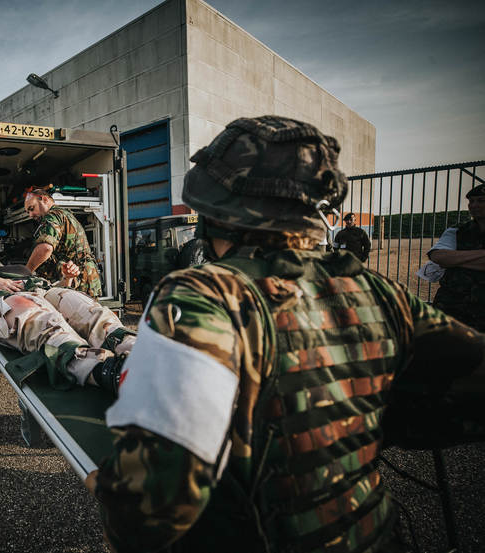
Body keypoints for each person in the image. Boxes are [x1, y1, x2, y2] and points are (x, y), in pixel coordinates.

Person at [86, 116, 485, 552]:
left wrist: (108, 488)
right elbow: (466, 395)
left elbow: (152, 510)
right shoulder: (382, 293)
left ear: (217, 216)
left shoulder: (205, 294)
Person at [0, 262, 134, 395]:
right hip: (2, 298)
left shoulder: (30, 274)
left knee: (88, 310)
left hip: (42, 289)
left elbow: (57, 296)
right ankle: (104, 370)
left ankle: (132, 348)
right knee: (43, 321)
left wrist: (67, 280)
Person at [24, 185, 103, 298]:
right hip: (86, 280)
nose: (31, 215)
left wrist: (26, 271)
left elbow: (46, 248)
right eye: (28, 212)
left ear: (45, 199)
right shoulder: (64, 214)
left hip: (77, 282)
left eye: (32, 209)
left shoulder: (53, 216)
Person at [429, 183, 485, 331]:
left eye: (481, 200)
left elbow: (448, 259)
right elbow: (438, 256)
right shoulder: (457, 230)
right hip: (452, 306)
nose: (474, 205)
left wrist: (456, 261)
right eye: (471, 201)